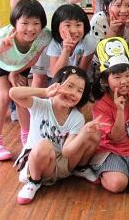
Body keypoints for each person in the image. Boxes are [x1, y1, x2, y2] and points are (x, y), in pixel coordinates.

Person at [0, 0, 52, 160]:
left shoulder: (45, 35)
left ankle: (27, 138)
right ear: (15, 23)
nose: (31, 28)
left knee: (22, 96)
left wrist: (15, 73)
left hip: (20, 65)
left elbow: (33, 58)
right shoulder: (3, 37)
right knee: (4, 95)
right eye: (25, 23)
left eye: (36, 23)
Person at [10, 66, 101, 204]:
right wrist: (45, 91)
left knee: (93, 136)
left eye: (79, 90)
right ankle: (33, 182)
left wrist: (83, 134)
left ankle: (80, 168)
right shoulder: (40, 105)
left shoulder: (77, 117)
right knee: (44, 145)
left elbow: (67, 151)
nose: (73, 93)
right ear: (57, 84)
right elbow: (13, 93)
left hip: (61, 164)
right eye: (69, 86)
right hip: (37, 162)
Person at [10, 0, 85, 88]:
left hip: (64, 38)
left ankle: (59, 103)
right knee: (39, 78)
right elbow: (15, 4)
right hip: (42, 37)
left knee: (65, 78)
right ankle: (38, 104)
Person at [91, 37, 129, 193]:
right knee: (118, 184)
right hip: (110, 150)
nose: (124, 81)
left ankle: (126, 171)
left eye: (127, 75)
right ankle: (100, 172)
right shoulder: (101, 106)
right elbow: (116, 137)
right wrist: (119, 110)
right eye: (117, 77)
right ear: (105, 81)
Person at [46, 4, 97, 78]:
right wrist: (66, 50)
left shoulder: (89, 41)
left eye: (78, 25)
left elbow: (81, 73)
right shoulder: (55, 43)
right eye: (68, 25)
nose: (74, 30)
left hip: (81, 79)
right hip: (58, 80)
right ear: (57, 26)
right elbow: (55, 74)